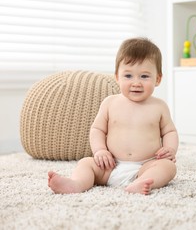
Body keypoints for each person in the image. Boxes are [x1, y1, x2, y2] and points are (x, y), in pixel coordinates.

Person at [48, 38, 179, 195]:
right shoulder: (110, 103)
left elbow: (169, 131)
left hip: (146, 165)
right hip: (110, 166)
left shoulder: (159, 106)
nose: (136, 82)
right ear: (117, 77)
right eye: (128, 76)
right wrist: (100, 151)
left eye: (144, 76)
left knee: (168, 167)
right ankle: (76, 184)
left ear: (157, 79)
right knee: (86, 163)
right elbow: (97, 129)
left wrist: (170, 149)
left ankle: (141, 183)